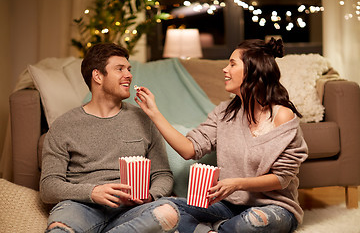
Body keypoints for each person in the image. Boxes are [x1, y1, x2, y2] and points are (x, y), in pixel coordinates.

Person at [135, 38, 308, 233]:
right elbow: (189, 149)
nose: (225, 69)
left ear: (253, 70)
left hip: (273, 207)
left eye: (232, 64)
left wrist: (236, 184)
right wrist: (154, 113)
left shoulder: (281, 115)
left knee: (254, 222)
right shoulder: (224, 113)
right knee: (164, 207)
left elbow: (281, 178)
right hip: (228, 206)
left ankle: (208, 230)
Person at [40, 43, 179, 233]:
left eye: (129, 69)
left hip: (133, 209)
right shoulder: (63, 126)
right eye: (120, 69)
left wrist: (151, 195)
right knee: (59, 231)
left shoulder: (144, 119)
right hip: (81, 207)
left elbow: (162, 174)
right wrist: (93, 192)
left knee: (168, 214)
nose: (129, 75)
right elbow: (48, 187)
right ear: (97, 76)